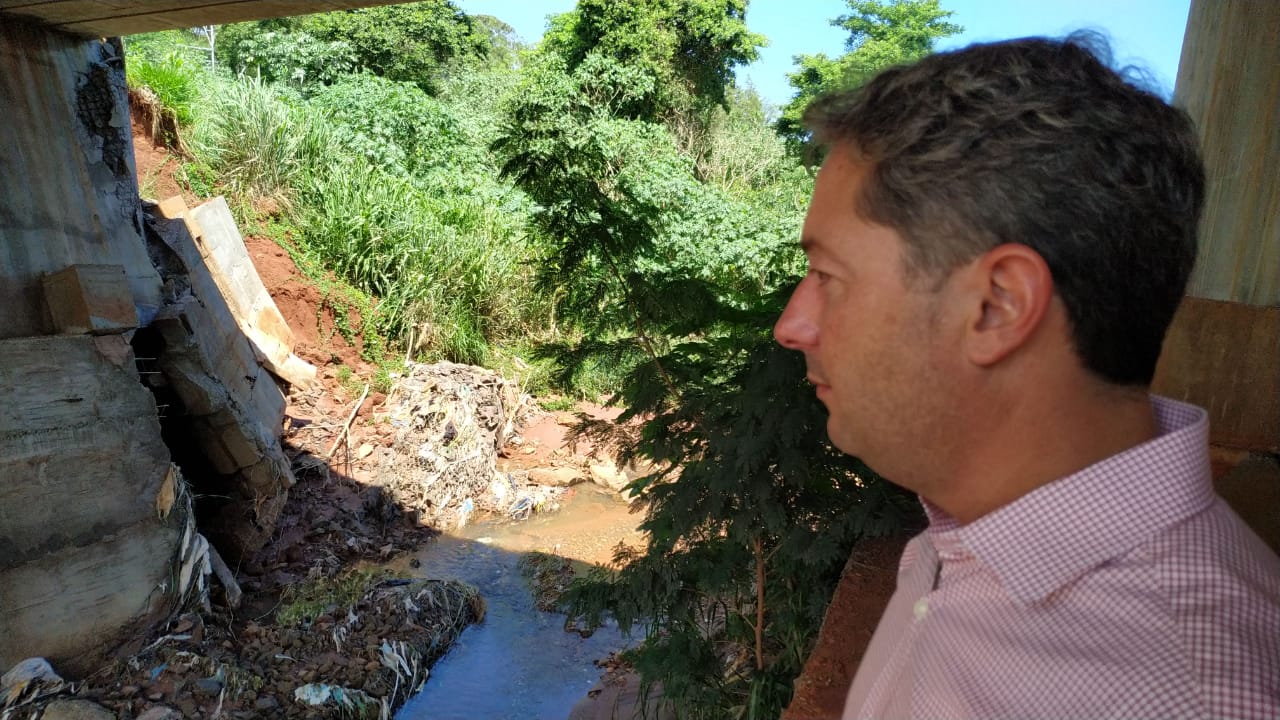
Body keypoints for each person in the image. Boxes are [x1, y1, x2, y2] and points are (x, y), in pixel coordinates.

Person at [773, 34, 1280, 719]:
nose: (792, 326)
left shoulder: (1193, 695)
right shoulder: (957, 543)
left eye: (828, 277)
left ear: (997, 306)